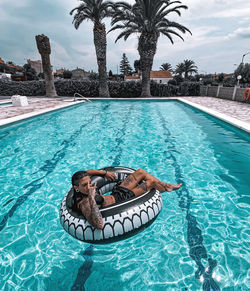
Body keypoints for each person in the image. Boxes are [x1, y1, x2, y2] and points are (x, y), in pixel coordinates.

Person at [71, 169, 182, 230]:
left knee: (141, 172)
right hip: (122, 200)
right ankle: (167, 188)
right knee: (151, 183)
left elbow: (86, 173)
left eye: (89, 182)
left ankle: (166, 186)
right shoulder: (84, 203)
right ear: (76, 187)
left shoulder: (81, 187)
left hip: (116, 193)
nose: (89, 186)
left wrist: (103, 173)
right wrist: (91, 197)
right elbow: (99, 225)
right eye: (85, 185)